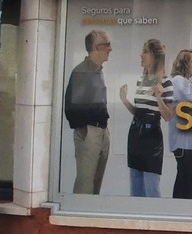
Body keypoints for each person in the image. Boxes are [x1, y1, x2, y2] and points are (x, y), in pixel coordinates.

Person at [119, 38, 173, 198]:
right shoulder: (140, 80)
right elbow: (138, 112)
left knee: (151, 188)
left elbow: (168, 116)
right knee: (135, 188)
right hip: (135, 134)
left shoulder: (166, 82)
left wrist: (159, 97)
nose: (141, 55)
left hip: (152, 138)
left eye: (145, 52)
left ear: (154, 56)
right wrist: (124, 100)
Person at [65, 30, 112, 195]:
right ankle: (79, 209)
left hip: (101, 130)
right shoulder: (82, 71)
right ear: (96, 47)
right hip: (90, 132)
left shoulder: (97, 70)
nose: (110, 49)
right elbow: (72, 108)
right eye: (107, 45)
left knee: (96, 182)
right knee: (85, 184)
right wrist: (85, 130)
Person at [168, 49, 192, 199]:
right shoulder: (178, 81)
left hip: (189, 141)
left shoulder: (187, 82)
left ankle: (184, 207)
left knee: (187, 179)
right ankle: (180, 208)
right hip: (183, 141)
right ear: (184, 64)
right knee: (185, 179)